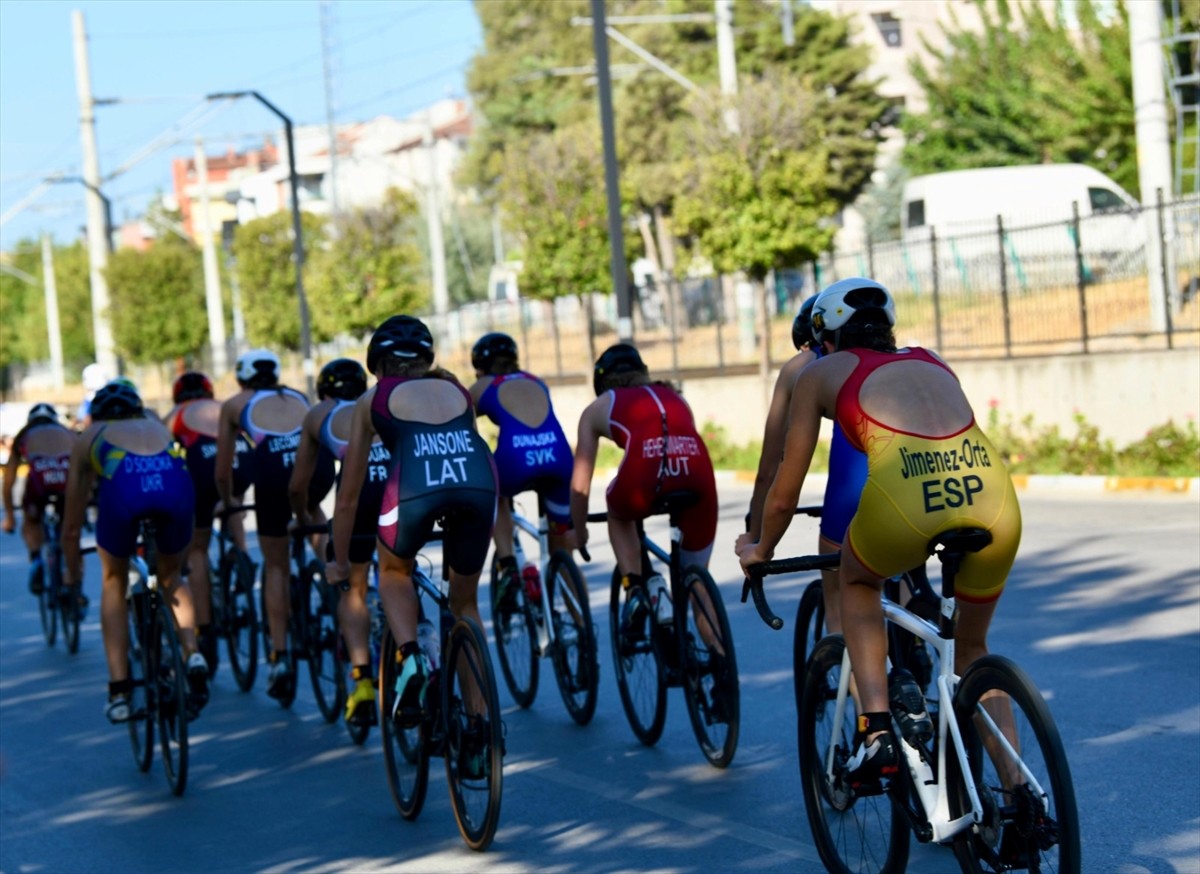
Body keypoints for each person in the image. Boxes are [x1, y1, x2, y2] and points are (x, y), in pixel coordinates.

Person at [737, 277, 1021, 791]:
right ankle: (1021, 794)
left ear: (825, 337)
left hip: (898, 501)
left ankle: (876, 733)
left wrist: (760, 548)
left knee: (857, 585)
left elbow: (782, 490)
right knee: (972, 649)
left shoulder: (818, 372)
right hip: (993, 499)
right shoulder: (930, 358)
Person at [326, 316, 497, 758]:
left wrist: (341, 562)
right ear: (425, 359)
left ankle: (410, 660)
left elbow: (347, 498)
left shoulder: (371, 399)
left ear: (378, 366)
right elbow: (473, 448)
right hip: (477, 487)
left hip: (416, 490)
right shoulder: (458, 390)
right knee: (465, 605)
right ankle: (479, 730)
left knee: (394, 572)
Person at [60, 380, 208, 722]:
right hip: (176, 492)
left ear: (96, 415)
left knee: (113, 580)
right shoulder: (157, 424)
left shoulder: (89, 437)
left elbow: (71, 524)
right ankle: (191, 652)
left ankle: (120, 689)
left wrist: (72, 573)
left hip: (125, 494)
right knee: (172, 576)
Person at [737, 295, 870, 638]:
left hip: (853, 492)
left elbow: (771, 468)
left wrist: (756, 537)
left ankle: (862, 678)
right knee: (897, 574)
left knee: (841, 616)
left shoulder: (805, 367)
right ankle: (912, 639)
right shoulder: (898, 358)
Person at [569, 343, 718, 640]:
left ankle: (635, 587)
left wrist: (579, 529)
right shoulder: (674, 395)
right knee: (696, 585)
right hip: (699, 472)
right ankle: (722, 670)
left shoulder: (599, 406)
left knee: (618, 509)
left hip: (645, 476)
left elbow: (580, 483)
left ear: (602, 382)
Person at [288, 357, 385, 727]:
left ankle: (361, 681)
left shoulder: (318, 413)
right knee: (399, 574)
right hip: (397, 487)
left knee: (353, 589)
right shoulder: (378, 400)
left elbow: (298, 486)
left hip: (359, 493)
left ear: (324, 391)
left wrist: (303, 517)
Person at [216, 348, 316, 700]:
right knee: (312, 509)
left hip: (272, 476)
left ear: (242, 378)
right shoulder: (298, 395)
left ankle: (279, 655)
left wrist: (229, 501)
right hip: (313, 471)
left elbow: (224, 467)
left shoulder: (233, 405)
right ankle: (332, 575)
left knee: (276, 565)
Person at [467, 332, 574, 613]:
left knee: (494, 491)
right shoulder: (536, 380)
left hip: (517, 457)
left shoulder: (483, 386)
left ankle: (508, 565)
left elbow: (461, 420)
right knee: (561, 550)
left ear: (479, 367)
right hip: (559, 456)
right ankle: (579, 619)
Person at [162, 371, 253, 674]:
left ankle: (203, 626)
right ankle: (241, 555)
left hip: (202, 465)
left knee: (197, 550)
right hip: (240, 458)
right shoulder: (222, 406)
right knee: (232, 500)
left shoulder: (176, 414)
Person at [2, 403, 77, 598]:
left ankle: (36, 558)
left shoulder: (24, 434)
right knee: (71, 531)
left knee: (31, 521)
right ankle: (74, 581)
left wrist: (10, 516)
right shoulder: (67, 432)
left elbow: (9, 480)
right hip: (66, 480)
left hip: (39, 482)